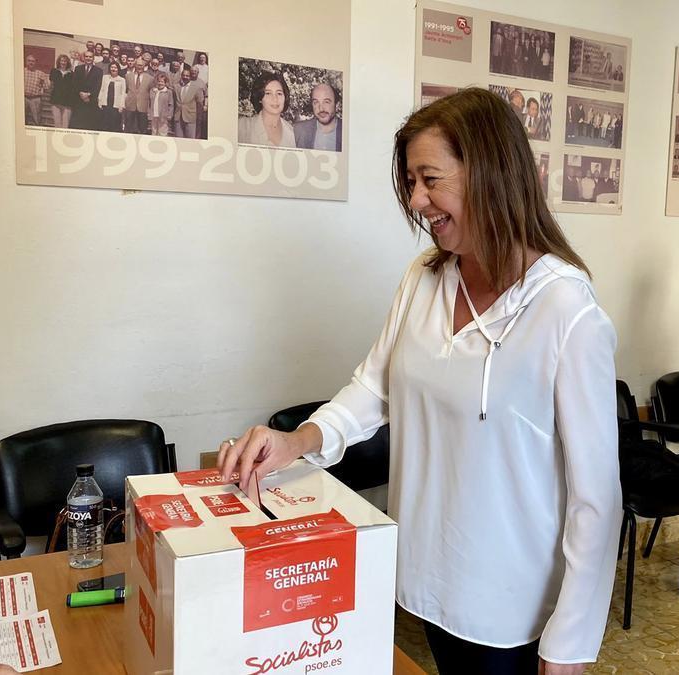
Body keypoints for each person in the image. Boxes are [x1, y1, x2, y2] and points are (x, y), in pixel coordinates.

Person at [216, 87, 620, 675]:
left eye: (430, 178)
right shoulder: (425, 279)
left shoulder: (567, 311)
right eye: (410, 182)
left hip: (514, 610)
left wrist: (573, 641)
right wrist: (297, 441)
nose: (417, 199)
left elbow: (596, 497)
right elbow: (375, 387)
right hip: (429, 581)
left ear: (488, 172)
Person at [238, 71, 294, 147]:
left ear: (285, 97)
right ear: (260, 98)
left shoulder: (292, 132)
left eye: (279, 93)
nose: (275, 99)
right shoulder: (242, 126)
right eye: (268, 93)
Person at [293, 82, 342, 151]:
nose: (321, 108)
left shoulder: (349, 132)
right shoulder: (298, 131)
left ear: (337, 105)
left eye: (326, 102)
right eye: (316, 102)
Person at [70, 50, 102, 130]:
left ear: (93, 58)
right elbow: (74, 84)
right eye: (86, 56)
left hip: (91, 101)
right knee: (78, 124)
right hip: (79, 101)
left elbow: (98, 86)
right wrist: (81, 93)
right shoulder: (78, 69)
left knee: (89, 125)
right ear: (84, 58)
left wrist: (88, 94)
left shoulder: (98, 71)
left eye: (90, 57)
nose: (88, 58)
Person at [176, 65, 206, 139]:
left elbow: (200, 104)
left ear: (190, 77)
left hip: (190, 118)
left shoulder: (196, 88)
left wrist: (198, 117)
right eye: (184, 75)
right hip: (178, 117)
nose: (185, 77)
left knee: (190, 140)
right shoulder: (177, 87)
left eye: (187, 76)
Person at [123, 60, 153, 134]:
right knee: (128, 128)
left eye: (141, 65)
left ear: (144, 67)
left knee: (142, 129)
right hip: (130, 105)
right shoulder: (128, 76)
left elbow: (151, 93)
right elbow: (125, 90)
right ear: (135, 65)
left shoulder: (150, 78)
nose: (139, 67)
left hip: (143, 106)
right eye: (138, 65)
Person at [96, 61, 125, 132]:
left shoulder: (122, 80)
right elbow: (102, 89)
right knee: (104, 124)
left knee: (114, 124)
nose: (113, 69)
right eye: (112, 67)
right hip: (105, 104)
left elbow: (122, 93)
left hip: (116, 105)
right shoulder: (105, 77)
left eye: (115, 67)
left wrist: (121, 106)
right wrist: (99, 101)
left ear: (118, 69)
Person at [22, 54, 50, 126]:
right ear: (26, 62)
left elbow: (47, 87)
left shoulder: (40, 73)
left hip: (35, 99)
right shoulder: (21, 71)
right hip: (23, 98)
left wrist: (44, 80)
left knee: (37, 120)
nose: (31, 63)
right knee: (21, 120)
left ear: (35, 63)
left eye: (33, 61)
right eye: (29, 61)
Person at [48, 54, 75, 128]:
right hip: (56, 100)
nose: (63, 62)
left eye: (65, 61)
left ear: (67, 62)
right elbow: (51, 84)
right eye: (61, 61)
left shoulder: (72, 73)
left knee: (65, 125)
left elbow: (73, 87)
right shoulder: (54, 71)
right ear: (59, 62)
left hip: (67, 102)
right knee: (57, 124)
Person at [147, 72, 175, 136]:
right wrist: (148, 113)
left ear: (165, 83)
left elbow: (171, 105)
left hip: (163, 116)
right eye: (159, 81)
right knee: (154, 132)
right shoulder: (153, 91)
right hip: (154, 115)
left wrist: (169, 115)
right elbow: (149, 103)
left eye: (162, 82)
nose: (160, 83)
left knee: (162, 133)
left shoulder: (168, 92)